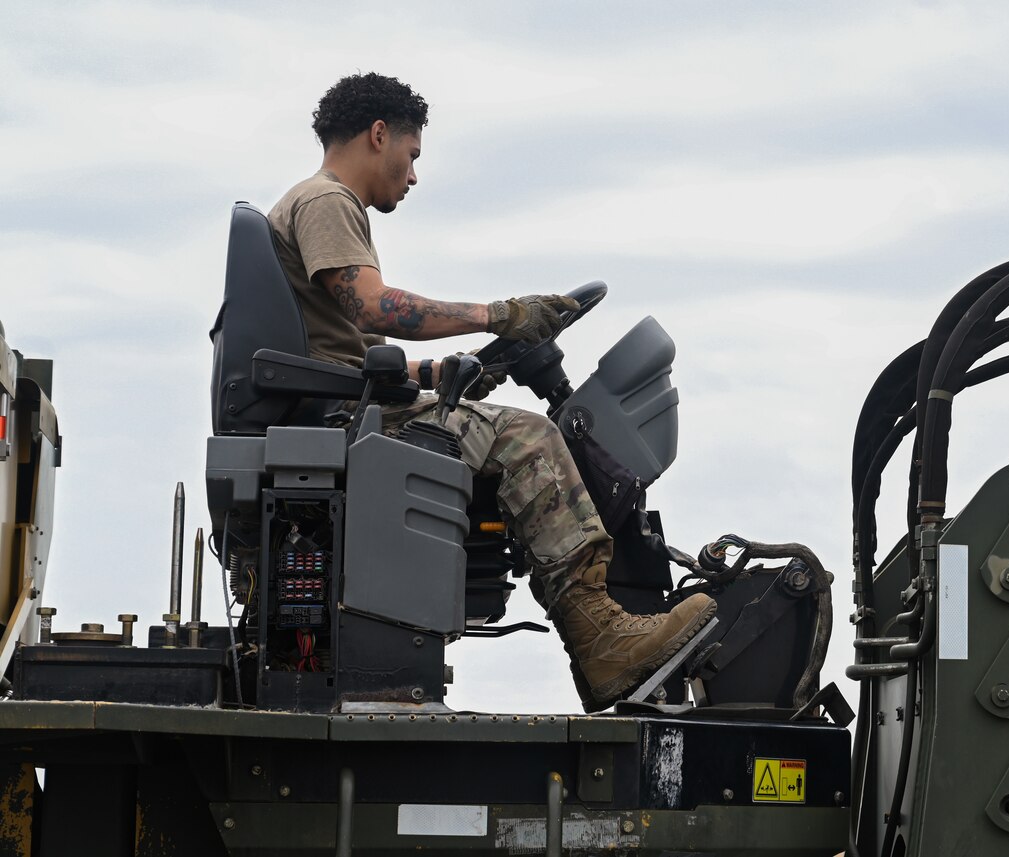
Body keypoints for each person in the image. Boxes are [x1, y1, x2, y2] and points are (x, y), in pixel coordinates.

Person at [266, 72, 715, 710]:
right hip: (344, 420)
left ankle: (600, 636)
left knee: (493, 418)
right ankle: (601, 637)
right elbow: (372, 310)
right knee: (530, 436)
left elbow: (349, 354)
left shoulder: (316, 206)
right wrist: (498, 315)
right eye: (412, 155)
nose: (413, 175)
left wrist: (450, 371)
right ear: (378, 135)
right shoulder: (326, 201)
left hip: (340, 403)